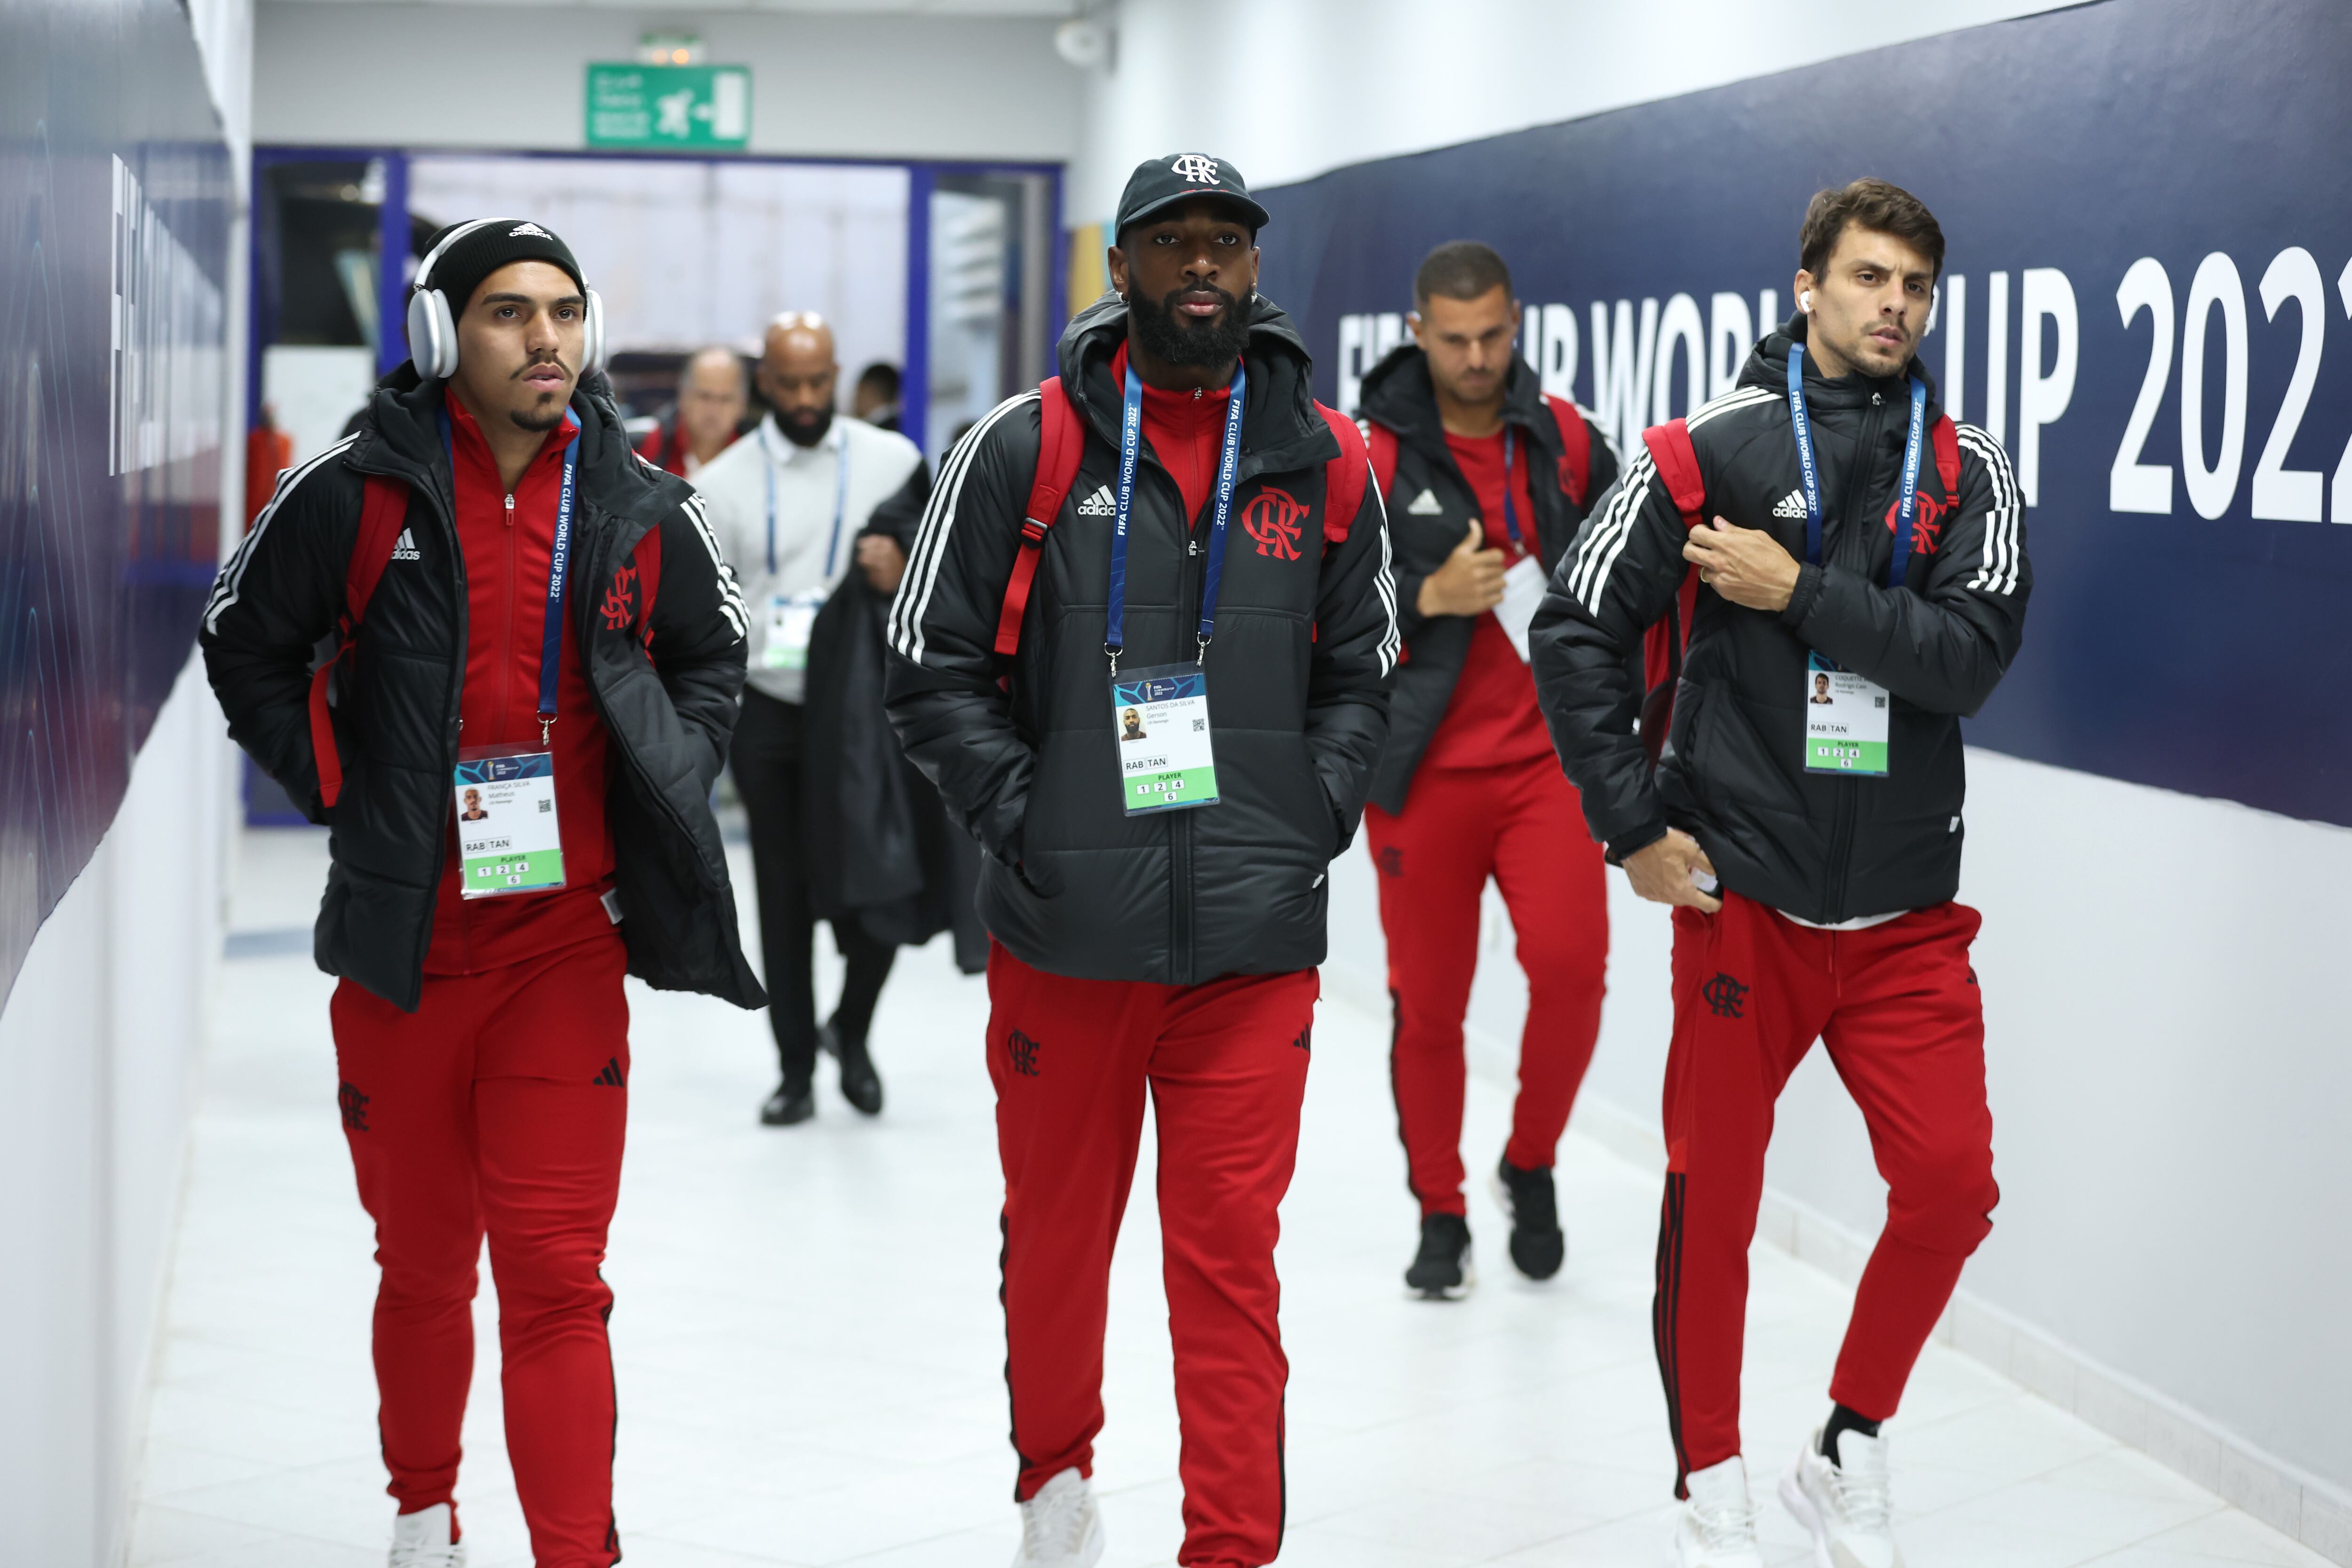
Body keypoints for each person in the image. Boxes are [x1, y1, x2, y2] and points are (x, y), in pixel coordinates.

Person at [200, 217, 762, 1568]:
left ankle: (577, 1549)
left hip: (564, 947)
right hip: (402, 942)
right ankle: (421, 1504)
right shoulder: (355, 490)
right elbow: (243, 637)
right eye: (511, 313)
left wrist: (669, 774)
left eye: (566, 312)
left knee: (560, 1277)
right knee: (423, 1261)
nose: (548, 339)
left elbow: (713, 650)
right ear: (443, 335)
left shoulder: (639, 500)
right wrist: (339, 778)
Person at [886, 152, 1398, 1568]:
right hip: (1066, 944)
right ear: (1118, 268)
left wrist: (1313, 811)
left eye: (1223, 243)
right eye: (1169, 242)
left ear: (1251, 269)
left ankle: (1230, 1546)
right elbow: (924, 672)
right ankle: (1054, 1476)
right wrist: (1031, 823)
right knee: (1057, 1240)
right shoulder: (1021, 448)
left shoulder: (1326, 456)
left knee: (1228, 1263)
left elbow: (1366, 673)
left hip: (1250, 945)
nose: (1199, 267)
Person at [1529, 178, 2029, 1568]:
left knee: (1948, 1189)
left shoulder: (1967, 467)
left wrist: (1796, 593)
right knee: (1716, 1197)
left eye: (1914, 288)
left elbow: (1967, 660)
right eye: (1867, 277)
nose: (1891, 306)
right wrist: (1629, 828)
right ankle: (1708, 1480)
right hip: (1739, 893)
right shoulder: (1704, 449)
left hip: (1904, 921)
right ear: (1805, 283)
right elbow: (1573, 627)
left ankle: (1845, 1437)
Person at [1357, 240, 1619, 1300]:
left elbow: (1622, 572)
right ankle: (1439, 1206)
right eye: (1454, 339)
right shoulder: (1365, 455)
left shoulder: (1561, 440)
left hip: (1546, 766)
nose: (1475, 358)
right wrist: (1422, 600)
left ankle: (1531, 1156)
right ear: (1417, 332)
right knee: (1429, 1008)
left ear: (1517, 324)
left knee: (1570, 970)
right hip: (1420, 771)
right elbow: (1312, 620)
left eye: (1493, 336)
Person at [693, 312, 928, 1125]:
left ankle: (851, 1030)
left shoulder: (892, 462)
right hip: (774, 715)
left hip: (868, 710)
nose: (804, 397)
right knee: (783, 900)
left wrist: (896, 570)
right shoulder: (721, 483)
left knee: (886, 886)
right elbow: (708, 614)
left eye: (818, 381)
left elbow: (937, 571)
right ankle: (795, 1068)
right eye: (788, 384)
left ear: (836, 375)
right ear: (766, 385)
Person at [637, 344, 749, 477]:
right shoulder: (646, 449)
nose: (714, 409)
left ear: (742, 406)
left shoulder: (756, 459)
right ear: (683, 397)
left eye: (725, 399)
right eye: (705, 397)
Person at [851, 360, 902, 430]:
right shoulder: (902, 425)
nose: (854, 398)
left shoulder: (870, 433)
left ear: (867, 389)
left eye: (857, 391)